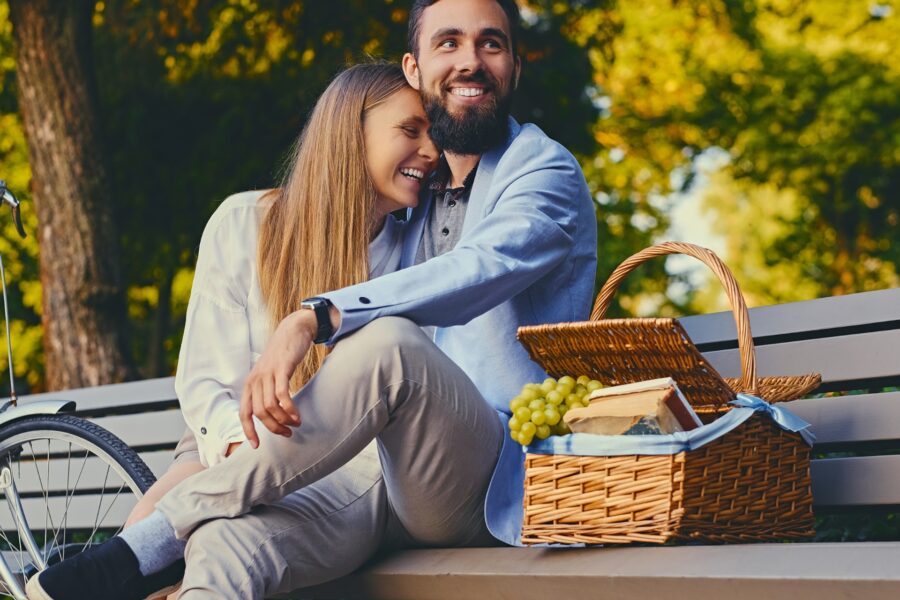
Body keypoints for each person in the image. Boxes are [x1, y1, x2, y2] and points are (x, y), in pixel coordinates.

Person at [27, 1, 598, 599]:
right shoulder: (416, 197)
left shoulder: (543, 174)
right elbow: (216, 389)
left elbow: (480, 270)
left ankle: (143, 547)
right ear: (415, 68)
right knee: (228, 547)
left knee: (389, 345)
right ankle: (160, 548)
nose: (470, 62)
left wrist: (317, 314)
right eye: (448, 43)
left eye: (492, 44)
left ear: (514, 66)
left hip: (481, 484)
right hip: (356, 474)